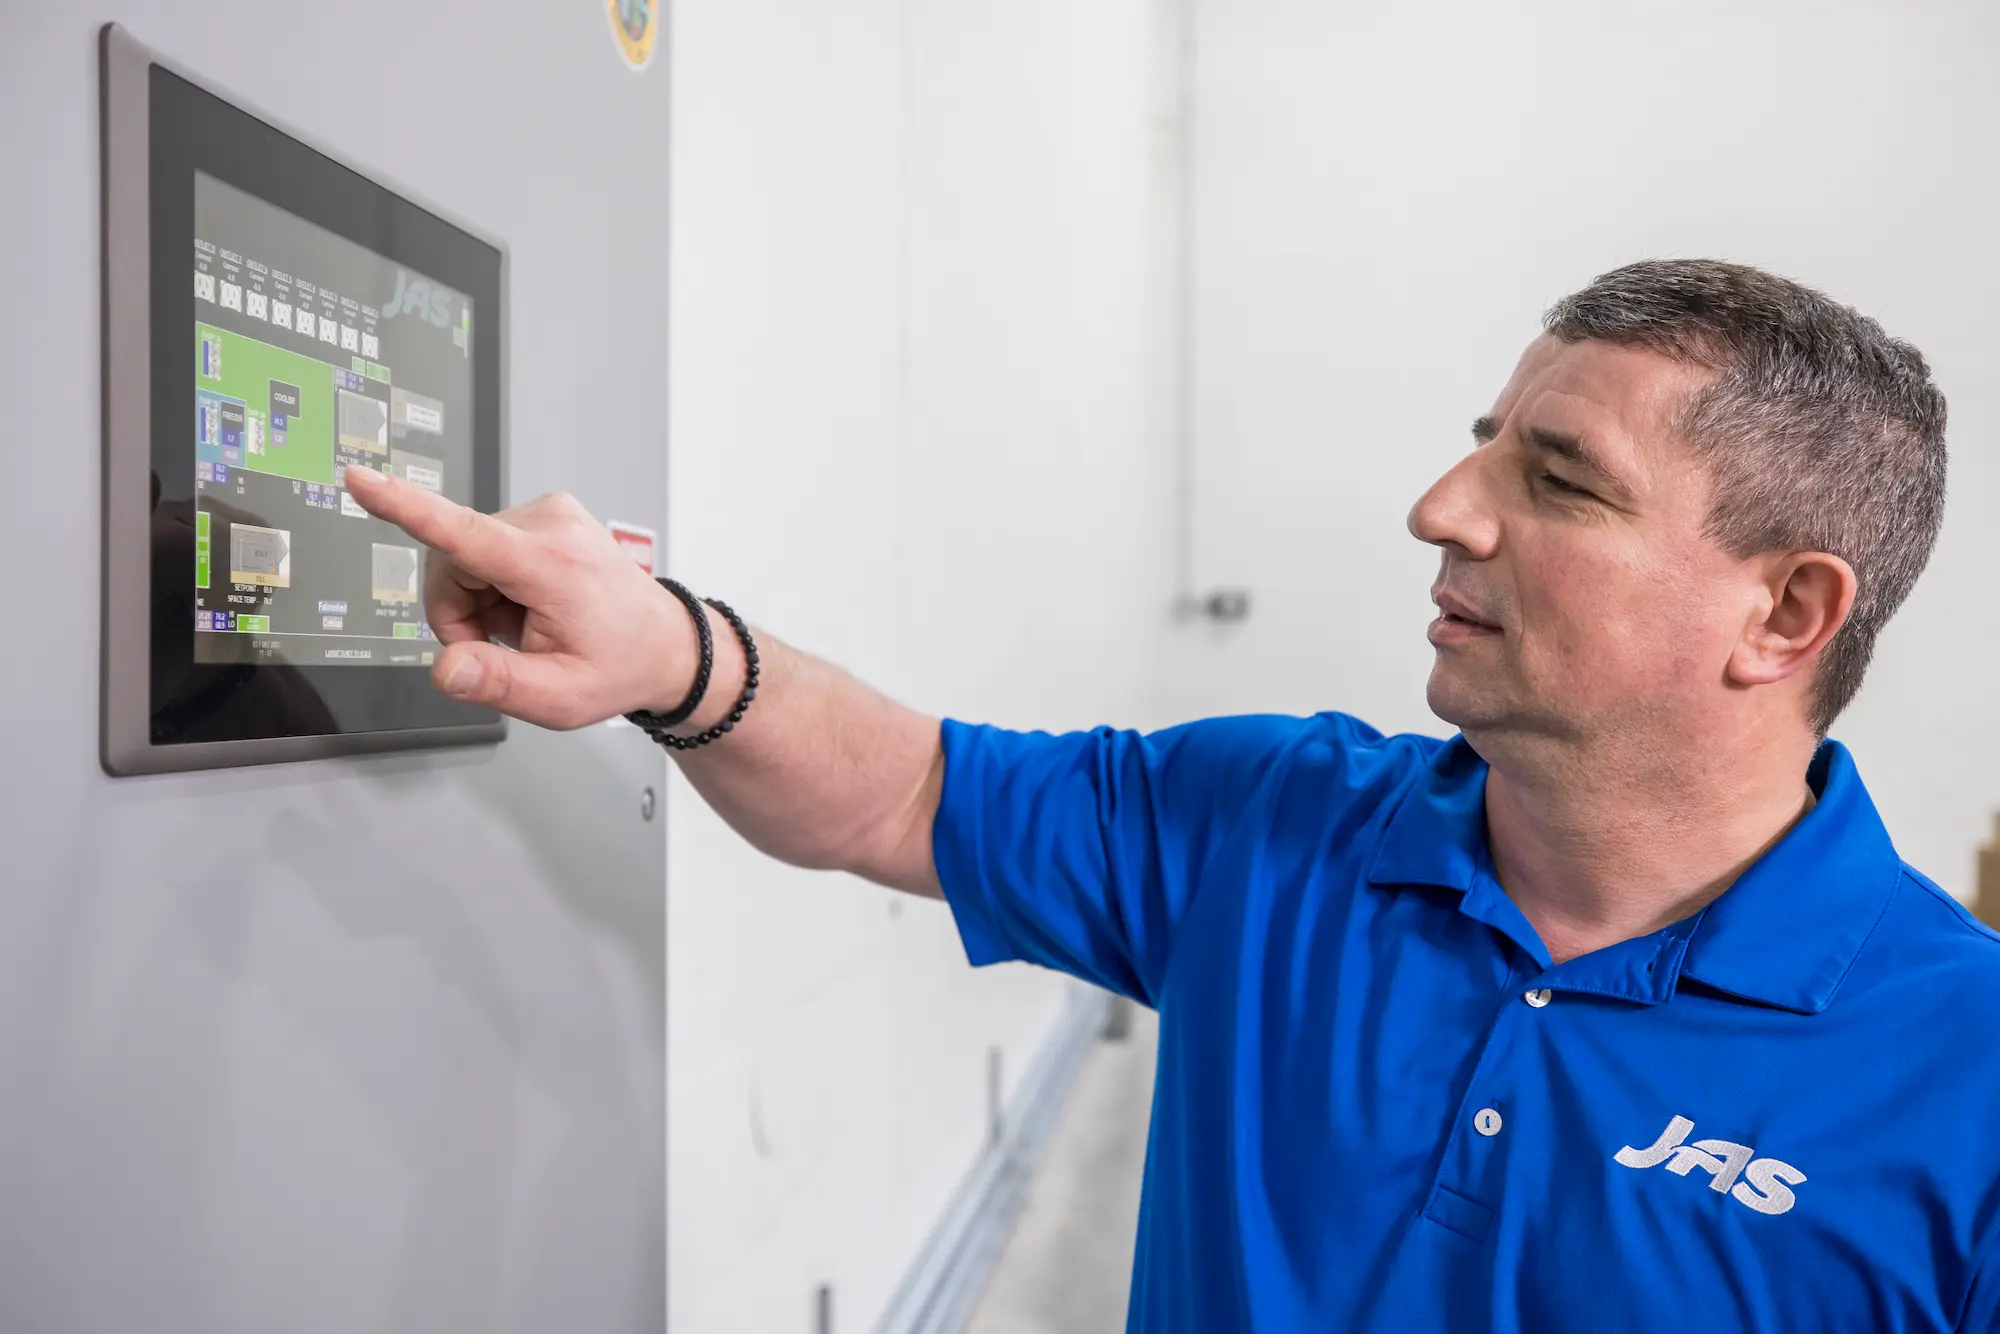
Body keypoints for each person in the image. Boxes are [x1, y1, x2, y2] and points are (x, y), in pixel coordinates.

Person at [346, 258, 2000, 1333]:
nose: (1441, 508)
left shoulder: (1964, 1078)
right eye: (1480, 445)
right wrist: (669, 653)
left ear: (1785, 614)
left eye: (1555, 480)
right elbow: (901, 792)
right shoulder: (1277, 818)